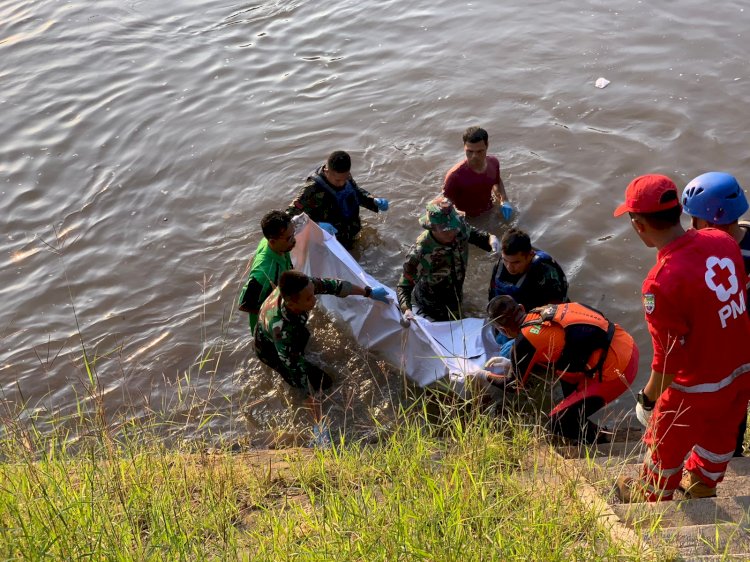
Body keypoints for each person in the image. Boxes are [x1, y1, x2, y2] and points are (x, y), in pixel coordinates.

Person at [613, 174, 750, 502]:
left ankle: (651, 499)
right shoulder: (725, 242)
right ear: (680, 211)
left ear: (638, 225)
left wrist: (647, 400)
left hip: (695, 389)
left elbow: (668, 359)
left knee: (663, 451)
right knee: (719, 441)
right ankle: (702, 484)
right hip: (741, 375)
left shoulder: (660, 283)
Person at [482, 296, 638, 445]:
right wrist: (514, 364)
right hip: (625, 343)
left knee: (556, 423)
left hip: (618, 371)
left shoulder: (523, 342)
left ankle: (602, 438)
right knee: (560, 374)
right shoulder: (544, 310)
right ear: (521, 308)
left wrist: (483, 374)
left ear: (503, 330)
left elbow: (514, 386)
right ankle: (578, 424)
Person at [681, 171, 750, 457]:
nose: (690, 227)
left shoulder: (707, 253)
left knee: (725, 403)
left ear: (709, 222)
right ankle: (730, 451)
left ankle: (723, 455)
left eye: (693, 220)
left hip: (729, 342)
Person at [254, 269, 390, 394]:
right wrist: (308, 394)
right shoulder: (281, 329)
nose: (314, 300)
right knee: (323, 383)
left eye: (313, 294)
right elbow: (292, 366)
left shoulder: (305, 286)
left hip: (291, 328)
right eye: (308, 299)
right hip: (270, 349)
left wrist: (368, 292)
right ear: (292, 304)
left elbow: (336, 286)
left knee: (303, 338)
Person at [397, 195, 499, 322]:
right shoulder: (421, 252)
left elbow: (475, 235)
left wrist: (490, 239)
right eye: (446, 231)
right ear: (432, 228)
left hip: (455, 291)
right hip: (432, 302)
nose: (452, 233)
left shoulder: (458, 229)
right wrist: (406, 309)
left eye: (453, 227)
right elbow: (404, 286)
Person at [287, 150, 389, 250]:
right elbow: (289, 218)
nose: (342, 183)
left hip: (351, 234)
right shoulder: (311, 189)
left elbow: (355, 192)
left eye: (345, 178)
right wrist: (317, 227)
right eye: (338, 180)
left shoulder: (345, 176)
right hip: (329, 243)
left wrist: (374, 200)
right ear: (327, 171)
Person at [238, 210, 296, 333]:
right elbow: (245, 305)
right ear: (272, 242)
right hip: (268, 329)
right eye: (289, 238)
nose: (294, 240)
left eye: (293, 234)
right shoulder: (264, 273)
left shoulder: (278, 246)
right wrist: (276, 312)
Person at [488, 227, 569, 310]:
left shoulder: (545, 267)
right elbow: (492, 297)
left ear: (530, 255)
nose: (509, 267)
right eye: (505, 260)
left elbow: (558, 303)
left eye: (516, 262)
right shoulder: (499, 266)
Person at [443, 126, 512, 220]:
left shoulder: (494, 163)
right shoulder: (454, 176)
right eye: (470, 151)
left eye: (479, 151)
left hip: (489, 209)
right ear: (464, 147)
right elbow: (445, 204)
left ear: (487, 145)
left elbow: (497, 181)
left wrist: (504, 200)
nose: (474, 156)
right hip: (468, 219)